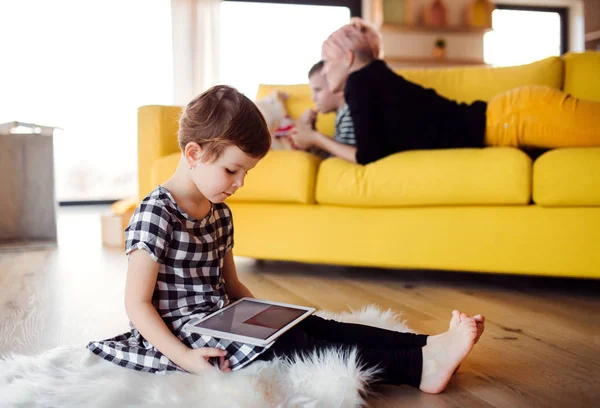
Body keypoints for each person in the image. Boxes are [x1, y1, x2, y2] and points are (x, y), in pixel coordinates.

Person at [87, 85, 485, 394]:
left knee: (316, 327)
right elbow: (137, 305)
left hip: (221, 320)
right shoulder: (156, 212)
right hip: (180, 334)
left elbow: (233, 287)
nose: (239, 183)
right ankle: (418, 371)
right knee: (292, 348)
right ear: (194, 153)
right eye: (231, 170)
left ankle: (424, 346)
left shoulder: (219, 212)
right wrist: (186, 358)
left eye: (246, 173)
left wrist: (272, 315)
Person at [291, 18, 600, 165]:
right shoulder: (374, 78)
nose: (325, 69)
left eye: (328, 62)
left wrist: (316, 138)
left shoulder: (361, 82)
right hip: (515, 114)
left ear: (347, 59)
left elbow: (368, 156)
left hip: (517, 118)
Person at [292, 61, 357, 162]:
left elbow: (352, 160)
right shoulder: (342, 115)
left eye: (317, 90)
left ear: (340, 87)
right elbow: (332, 156)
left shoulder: (349, 114)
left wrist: (315, 138)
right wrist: (311, 135)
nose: (313, 98)